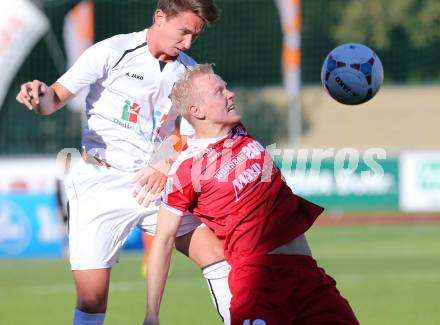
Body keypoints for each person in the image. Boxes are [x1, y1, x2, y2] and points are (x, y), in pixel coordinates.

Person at [16, 2, 232, 324]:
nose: (187, 43)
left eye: (194, 36)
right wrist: (38, 95)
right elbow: (53, 100)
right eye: (183, 32)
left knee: (216, 255)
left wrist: (163, 163)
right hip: (99, 182)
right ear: (160, 17)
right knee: (91, 299)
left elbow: (190, 134)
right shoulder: (111, 51)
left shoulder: (189, 72)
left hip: (154, 184)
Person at [145, 64, 360, 325]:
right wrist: (152, 315)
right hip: (259, 285)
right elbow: (163, 239)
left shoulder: (238, 130)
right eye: (219, 91)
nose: (230, 93)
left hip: (308, 276)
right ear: (197, 111)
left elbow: (180, 134)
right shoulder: (186, 170)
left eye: (226, 87)